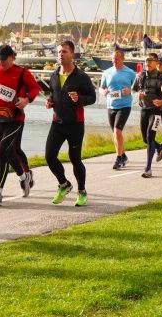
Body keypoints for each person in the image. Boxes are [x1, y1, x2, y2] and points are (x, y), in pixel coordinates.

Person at [0, 45, 40, 205]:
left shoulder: (22, 72)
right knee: (9, 152)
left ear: (12, 57)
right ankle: (23, 177)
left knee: (2, 150)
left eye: (4, 59)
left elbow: (35, 88)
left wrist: (26, 99)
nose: (1, 62)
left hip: (16, 119)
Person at [45, 41, 96, 206]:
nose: (61, 54)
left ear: (72, 54)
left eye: (65, 51)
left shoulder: (81, 77)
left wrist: (79, 99)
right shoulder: (54, 75)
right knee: (49, 156)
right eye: (59, 51)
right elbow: (53, 94)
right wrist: (50, 102)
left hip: (75, 124)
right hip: (57, 122)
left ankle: (82, 191)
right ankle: (64, 184)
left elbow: (92, 97)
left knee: (75, 159)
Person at [99, 49, 137, 170]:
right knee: (115, 134)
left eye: (116, 59)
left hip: (124, 105)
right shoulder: (107, 72)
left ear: (122, 59)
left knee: (117, 131)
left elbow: (138, 87)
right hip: (111, 105)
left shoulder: (130, 72)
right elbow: (101, 87)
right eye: (113, 59)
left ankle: (119, 158)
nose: (114, 61)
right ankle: (123, 156)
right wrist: (103, 91)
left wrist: (130, 91)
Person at [131, 53, 162, 178]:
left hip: (156, 111)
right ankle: (160, 146)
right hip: (144, 109)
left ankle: (148, 168)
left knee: (150, 137)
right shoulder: (140, 76)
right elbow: (133, 89)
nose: (148, 63)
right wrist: (137, 94)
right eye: (146, 60)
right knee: (145, 139)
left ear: (157, 62)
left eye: (150, 60)